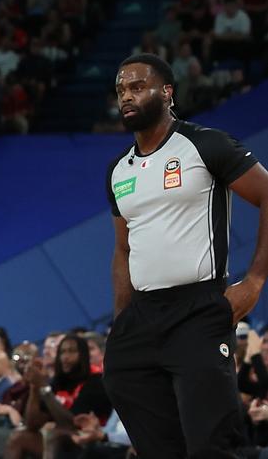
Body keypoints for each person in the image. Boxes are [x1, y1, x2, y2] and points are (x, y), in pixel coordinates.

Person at [103, 53, 268, 458]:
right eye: (122, 89)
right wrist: (122, 321)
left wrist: (255, 281)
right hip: (142, 315)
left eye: (138, 87)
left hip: (198, 309)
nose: (127, 96)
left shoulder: (204, 143)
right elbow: (123, 249)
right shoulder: (118, 171)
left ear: (167, 92)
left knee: (211, 446)